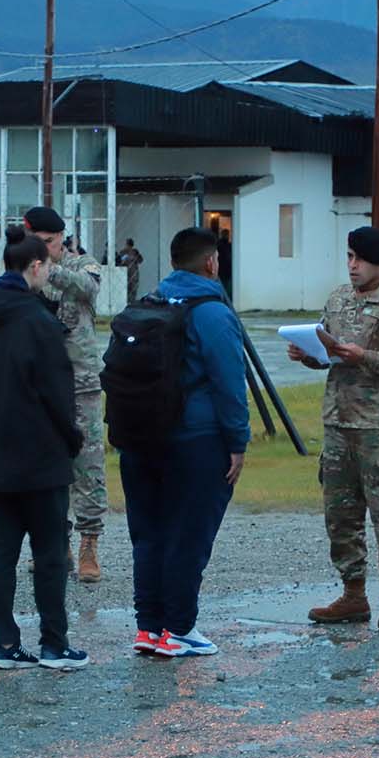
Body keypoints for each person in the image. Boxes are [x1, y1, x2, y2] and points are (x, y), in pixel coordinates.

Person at [0, 226, 89, 671]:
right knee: (50, 553)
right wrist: (71, 439)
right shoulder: (39, 323)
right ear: (35, 266)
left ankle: (4, 644)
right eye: (48, 266)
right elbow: (58, 394)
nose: (49, 273)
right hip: (41, 455)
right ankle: (54, 642)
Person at [293, 227, 379, 632]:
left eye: (360, 259)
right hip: (338, 423)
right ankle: (353, 594)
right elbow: (328, 353)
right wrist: (309, 356)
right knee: (340, 515)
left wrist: (365, 357)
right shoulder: (336, 298)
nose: (352, 266)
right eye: (349, 257)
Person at [120, 227, 248, 659]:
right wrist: (238, 441)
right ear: (212, 262)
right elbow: (230, 382)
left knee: (149, 533)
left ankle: (148, 627)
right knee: (188, 533)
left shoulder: (148, 304)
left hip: (140, 436)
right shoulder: (212, 312)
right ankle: (178, 628)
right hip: (195, 438)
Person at [21, 206, 107, 583]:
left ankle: (90, 544)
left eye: (49, 243)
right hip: (42, 384)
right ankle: (57, 543)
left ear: (62, 239)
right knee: (46, 466)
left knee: (87, 465)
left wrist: (49, 268)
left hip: (81, 382)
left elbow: (87, 289)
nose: (43, 249)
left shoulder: (83, 264)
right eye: (35, 244)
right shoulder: (24, 270)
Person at [116, 239, 144, 303]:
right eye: (127, 245)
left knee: (133, 290)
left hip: (133, 274)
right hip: (125, 274)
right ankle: (126, 303)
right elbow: (118, 263)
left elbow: (140, 260)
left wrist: (134, 258)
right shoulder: (122, 252)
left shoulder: (135, 252)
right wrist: (124, 261)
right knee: (126, 290)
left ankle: (132, 302)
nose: (128, 247)